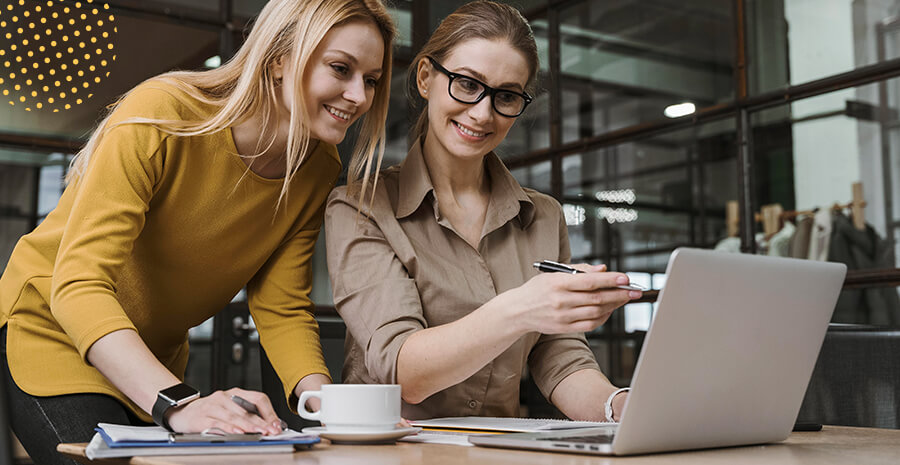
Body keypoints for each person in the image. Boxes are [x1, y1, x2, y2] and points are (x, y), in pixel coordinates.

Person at [0, 0, 394, 462]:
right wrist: (178, 402)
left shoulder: (318, 168)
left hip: (153, 358)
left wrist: (329, 405)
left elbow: (281, 307)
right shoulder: (165, 112)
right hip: (53, 332)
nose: (359, 96)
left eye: (370, 79)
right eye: (341, 69)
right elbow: (78, 285)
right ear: (279, 59)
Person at [324, 0, 640, 422]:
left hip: (492, 449)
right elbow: (404, 370)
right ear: (425, 78)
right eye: (467, 84)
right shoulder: (359, 207)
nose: (482, 112)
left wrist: (620, 408)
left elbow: (559, 357)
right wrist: (523, 308)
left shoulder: (543, 216)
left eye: (506, 96)